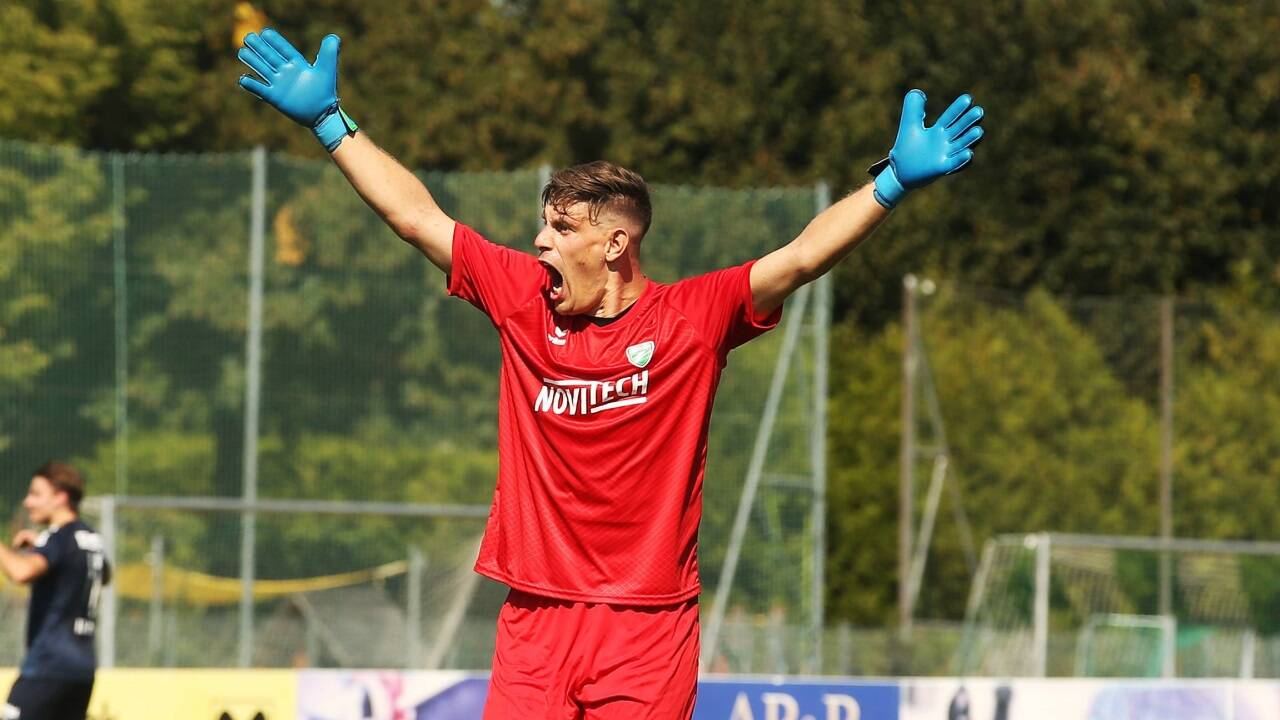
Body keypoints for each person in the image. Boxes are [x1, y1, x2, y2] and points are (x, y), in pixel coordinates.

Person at [237, 27, 984, 719]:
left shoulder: (692, 319)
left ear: (616, 242)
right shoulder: (523, 301)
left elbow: (799, 257)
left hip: (648, 629)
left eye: (562, 229)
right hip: (535, 622)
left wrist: (890, 187)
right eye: (544, 224)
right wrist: (330, 124)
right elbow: (417, 218)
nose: (538, 241)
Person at [1, 462, 111, 720]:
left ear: (61, 497)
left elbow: (21, 572)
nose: (28, 502)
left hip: (49, 666)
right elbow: (104, 574)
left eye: (36, 494)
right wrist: (41, 544)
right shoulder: (89, 537)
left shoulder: (60, 537)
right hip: (82, 670)